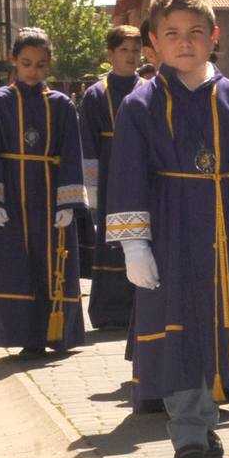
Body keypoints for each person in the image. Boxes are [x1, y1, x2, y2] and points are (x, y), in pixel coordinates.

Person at [105, 0, 229, 458]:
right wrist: (134, 245)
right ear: (154, 44)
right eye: (172, 33)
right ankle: (188, 429)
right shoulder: (140, 105)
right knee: (179, 324)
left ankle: (211, 415)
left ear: (214, 37)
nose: (185, 42)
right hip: (169, 229)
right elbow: (127, 176)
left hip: (227, 227)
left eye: (196, 32)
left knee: (220, 320)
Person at [0, 29, 87, 358]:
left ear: (49, 65)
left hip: (50, 197)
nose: (33, 71)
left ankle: (60, 334)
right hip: (13, 197)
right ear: (13, 62)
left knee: (54, 261)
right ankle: (28, 338)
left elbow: (72, 152)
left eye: (41, 65)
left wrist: (69, 202)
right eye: (26, 63)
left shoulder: (62, 105)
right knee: (18, 264)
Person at [79, 26, 144, 333]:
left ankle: (140, 306)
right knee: (111, 241)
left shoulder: (150, 88)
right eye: (124, 51)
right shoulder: (95, 94)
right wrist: (90, 190)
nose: (131, 57)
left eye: (135, 50)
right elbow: (87, 145)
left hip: (143, 177)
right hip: (108, 181)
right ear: (110, 55)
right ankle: (109, 310)